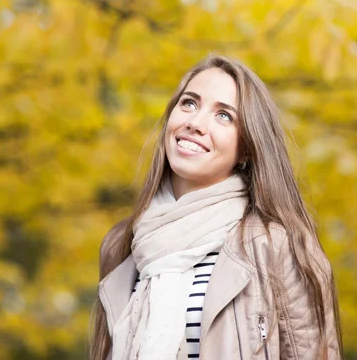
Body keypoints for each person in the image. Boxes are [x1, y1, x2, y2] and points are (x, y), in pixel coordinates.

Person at [90, 54, 343, 360]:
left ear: (246, 149)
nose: (195, 123)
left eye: (224, 116)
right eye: (189, 103)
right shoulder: (123, 247)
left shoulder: (274, 245)